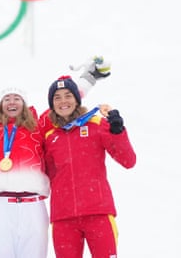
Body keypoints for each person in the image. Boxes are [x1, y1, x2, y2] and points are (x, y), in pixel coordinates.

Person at [0, 50, 110, 258]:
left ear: (24, 104)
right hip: (0, 206)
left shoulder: (39, 125)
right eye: (7, 99)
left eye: (16, 98)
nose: (11, 102)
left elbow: (65, 102)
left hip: (33, 206)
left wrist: (89, 78)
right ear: (1, 104)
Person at [40, 75, 136, 258]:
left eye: (68, 95)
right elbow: (44, 173)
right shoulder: (50, 137)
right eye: (57, 97)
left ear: (77, 99)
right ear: (51, 104)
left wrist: (117, 131)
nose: (63, 101)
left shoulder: (96, 125)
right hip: (63, 217)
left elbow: (128, 161)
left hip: (98, 212)